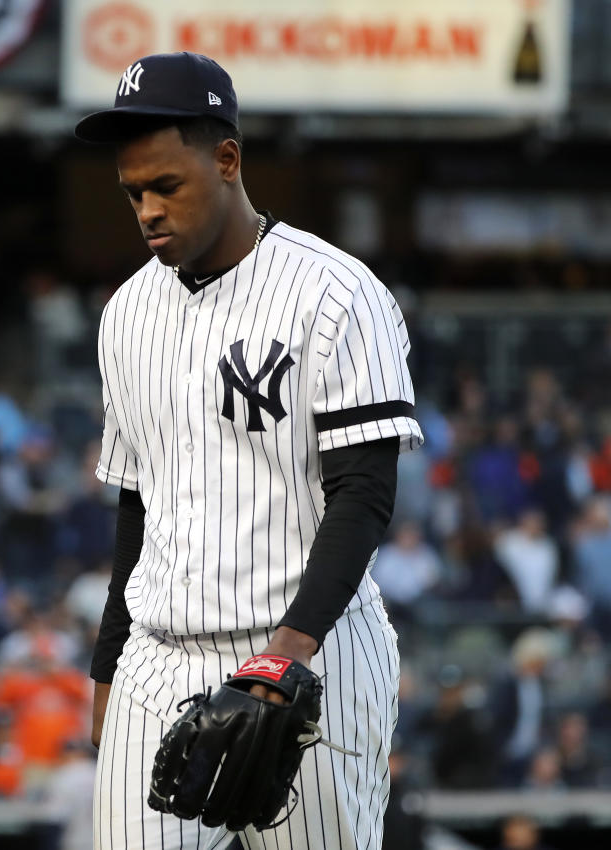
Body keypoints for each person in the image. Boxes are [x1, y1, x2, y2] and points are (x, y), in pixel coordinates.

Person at [75, 52, 422, 849]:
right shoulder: (125, 315)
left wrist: (283, 658)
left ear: (227, 159)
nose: (148, 210)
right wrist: (106, 668)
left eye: (167, 184)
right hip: (157, 661)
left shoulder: (337, 294)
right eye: (134, 193)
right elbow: (137, 507)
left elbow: (363, 495)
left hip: (312, 653)